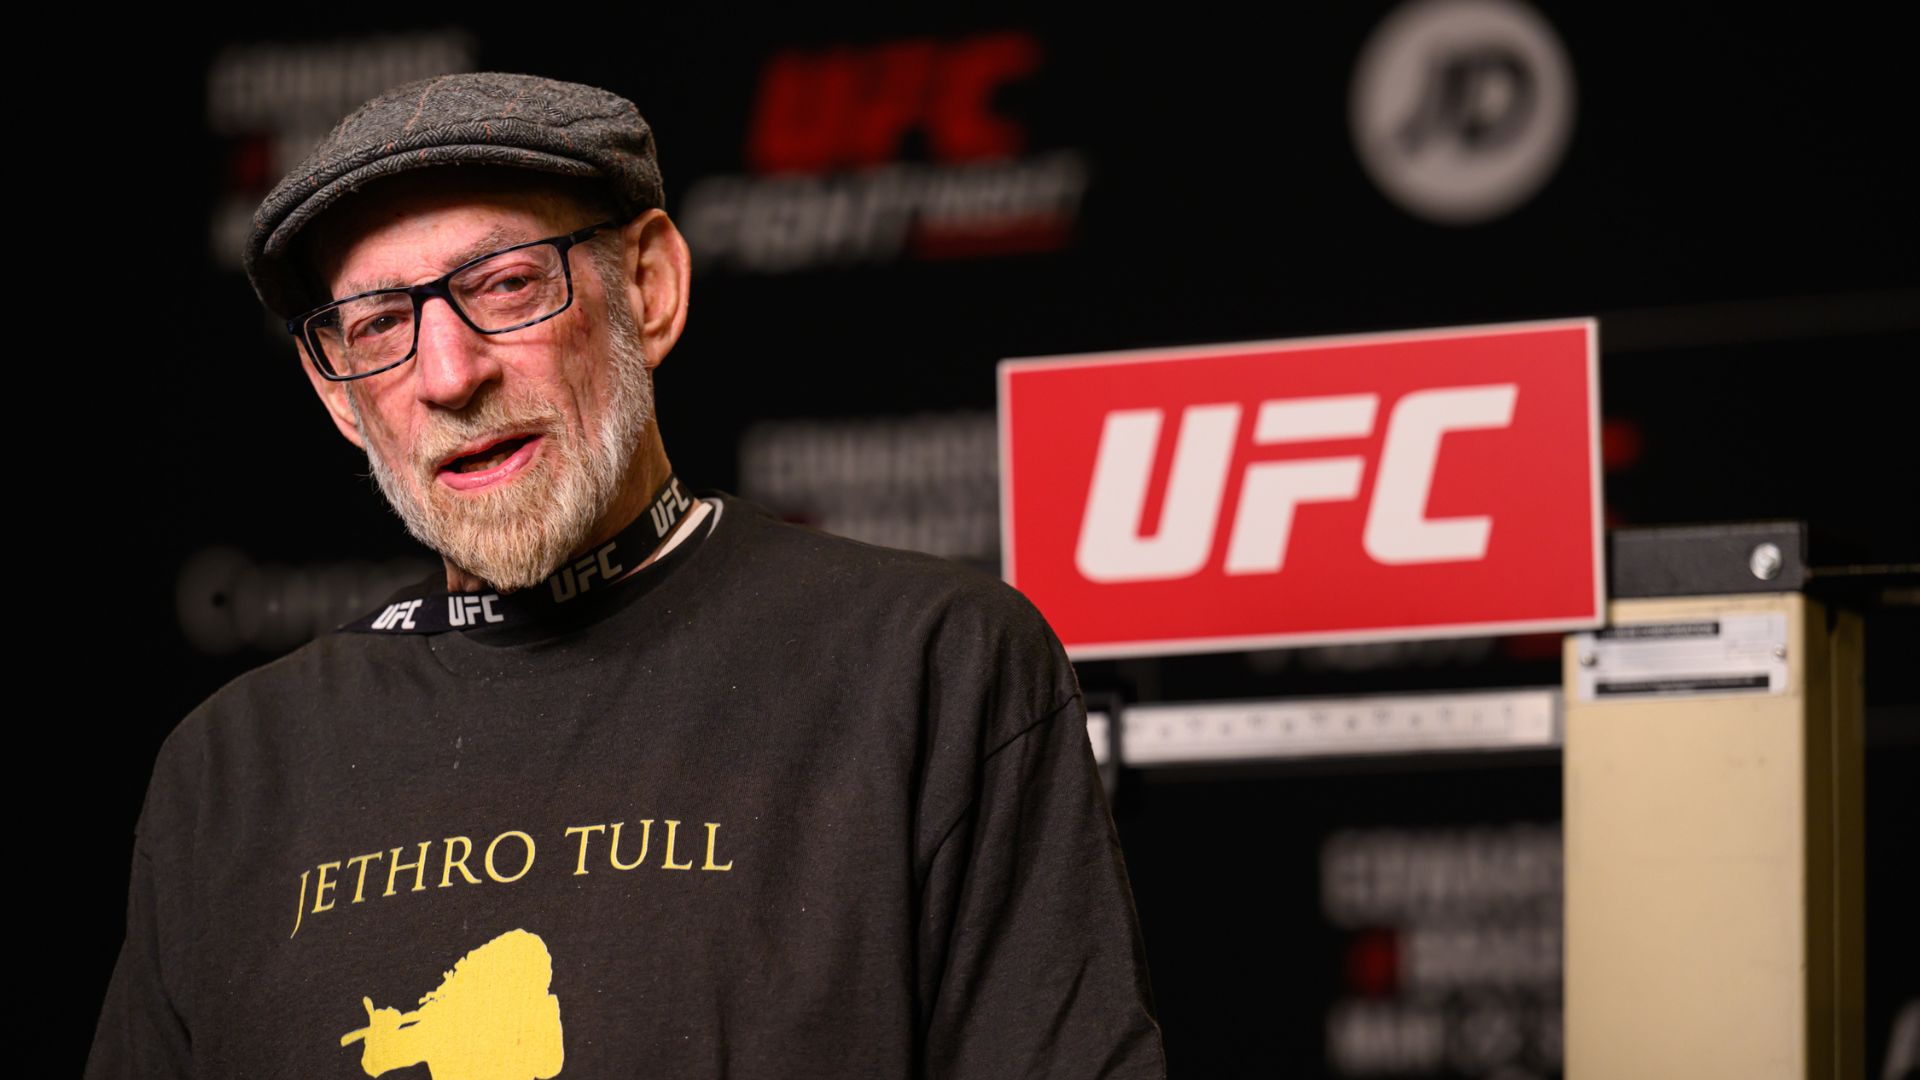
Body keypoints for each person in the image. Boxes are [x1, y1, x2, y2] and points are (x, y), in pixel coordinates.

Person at [87, 72, 1165, 1078]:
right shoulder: (226, 775)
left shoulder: (933, 665)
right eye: (379, 326)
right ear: (340, 399)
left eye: (505, 285)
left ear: (648, 288)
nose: (449, 375)